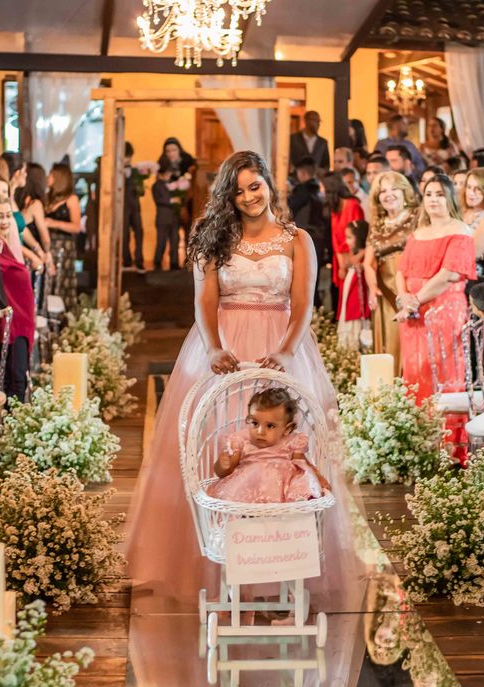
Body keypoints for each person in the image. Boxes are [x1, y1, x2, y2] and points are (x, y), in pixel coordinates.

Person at [123, 149, 362, 615]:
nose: (249, 197)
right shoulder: (212, 235)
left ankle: (278, 569)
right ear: (227, 197)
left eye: (255, 186)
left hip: (281, 346)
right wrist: (213, 348)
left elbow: (303, 304)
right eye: (238, 191)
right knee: (222, 451)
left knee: (282, 457)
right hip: (225, 349)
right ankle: (215, 565)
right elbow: (204, 302)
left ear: (269, 184)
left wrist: (287, 352)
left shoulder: (297, 240)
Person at [394, 172, 476, 413]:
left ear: (450, 198)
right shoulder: (418, 233)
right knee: (415, 369)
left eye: (439, 194)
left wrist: (413, 302)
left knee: (442, 368)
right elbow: (401, 271)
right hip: (412, 313)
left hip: (443, 309)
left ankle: (446, 431)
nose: (433, 199)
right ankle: (417, 427)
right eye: (429, 194)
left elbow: (448, 274)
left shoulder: (460, 230)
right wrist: (404, 297)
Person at [207, 387, 326, 503]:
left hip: (281, 492)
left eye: (270, 426)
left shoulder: (291, 441)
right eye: (255, 423)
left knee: (300, 481)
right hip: (249, 488)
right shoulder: (242, 440)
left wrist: (319, 479)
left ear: (287, 429)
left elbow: (304, 466)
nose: (260, 431)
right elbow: (224, 472)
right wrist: (222, 466)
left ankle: (290, 510)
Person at [363, 170, 419, 368]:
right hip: (386, 290)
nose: (388, 195)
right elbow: (368, 263)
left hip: (412, 285)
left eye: (394, 189)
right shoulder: (377, 224)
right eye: (383, 191)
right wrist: (372, 288)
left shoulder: (417, 216)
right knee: (391, 339)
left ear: (404, 192)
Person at [0, 192, 36, 399]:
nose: (5, 221)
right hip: (8, 324)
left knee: (17, 380)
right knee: (13, 382)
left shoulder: (4, 244)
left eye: (7, 215)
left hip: (20, 321)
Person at [288, 157, 330, 283]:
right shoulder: (319, 188)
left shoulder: (306, 189)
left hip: (307, 234)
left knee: (304, 275)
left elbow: (292, 204)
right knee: (313, 274)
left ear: (303, 173)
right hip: (318, 235)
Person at [331, 172, 366, 317]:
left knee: (354, 300)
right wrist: (341, 264)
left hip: (355, 257)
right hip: (341, 259)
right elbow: (335, 238)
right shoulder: (335, 208)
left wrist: (350, 260)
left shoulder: (353, 205)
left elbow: (359, 236)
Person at [46, 163, 81, 302]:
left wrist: (53, 223)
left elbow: (76, 227)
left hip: (64, 246)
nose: (48, 177)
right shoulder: (48, 197)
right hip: (48, 245)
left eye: (51, 174)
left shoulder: (72, 199)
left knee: (62, 281)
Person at [337, 219, 371, 349]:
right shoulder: (355, 253)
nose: (347, 241)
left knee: (356, 314)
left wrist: (365, 251)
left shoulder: (368, 254)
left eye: (350, 237)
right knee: (349, 310)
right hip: (350, 287)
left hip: (359, 292)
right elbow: (348, 262)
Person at [373, 114, 425, 182]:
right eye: (404, 124)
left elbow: (421, 166)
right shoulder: (381, 145)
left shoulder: (410, 145)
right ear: (396, 125)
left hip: (410, 181)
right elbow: (376, 165)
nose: (408, 127)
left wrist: (413, 169)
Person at [122, 142, 145, 270]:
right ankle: (126, 260)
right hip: (123, 207)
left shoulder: (136, 171)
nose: (128, 159)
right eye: (126, 156)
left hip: (135, 206)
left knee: (139, 233)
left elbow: (142, 192)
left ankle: (139, 259)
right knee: (125, 234)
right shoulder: (116, 171)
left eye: (129, 156)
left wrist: (140, 186)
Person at [152, 166, 180, 271]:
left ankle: (174, 262)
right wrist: (171, 201)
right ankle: (158, 262)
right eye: (167, 173)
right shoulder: (156, 185)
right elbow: (158, 200)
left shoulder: (173, 184)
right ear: (161, 174)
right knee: (161, 241)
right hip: (163, 218)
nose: (169, 175)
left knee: (175, 241)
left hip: (174, 217)